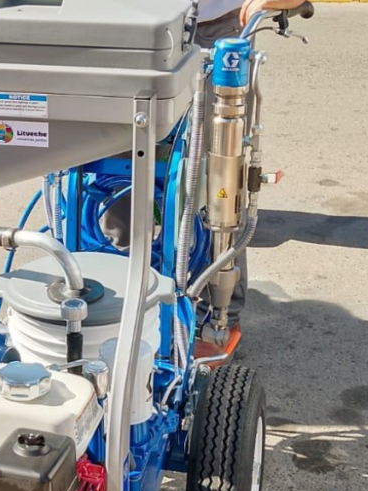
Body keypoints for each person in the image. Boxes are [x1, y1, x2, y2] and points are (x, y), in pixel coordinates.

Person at [99, 0, 308, 341]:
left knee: (217, 182)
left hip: (213, 30)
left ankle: (215, 318)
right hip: (122, 26)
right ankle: (111, 303)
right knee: (112, 177)